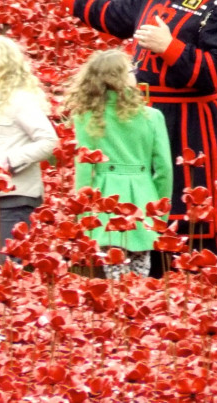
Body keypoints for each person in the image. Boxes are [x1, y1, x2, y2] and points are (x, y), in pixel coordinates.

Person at [31, 0, 217, 275]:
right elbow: (114, 12)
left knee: (191, 211)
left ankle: (201, 278)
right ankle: (150, 277)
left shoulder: (215, 7)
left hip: (193, 126)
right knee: (147, 207)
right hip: (145, 121)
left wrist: (170, 47)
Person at [63, 49, 172, 279]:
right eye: (131, 70)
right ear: (119, 78)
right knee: (141, 272)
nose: (136, 73)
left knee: (114, 274)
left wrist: (82, 215)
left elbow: (84, 169)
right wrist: (161, 210)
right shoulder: (152, 117)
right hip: (144, 199)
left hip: (104, 202)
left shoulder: (85, 117)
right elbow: (164, 170)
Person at [0, 35, 59, 269]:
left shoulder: (19, 100)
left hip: (16, 194)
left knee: (6, 268)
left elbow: (49, 140)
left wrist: (9, 163)